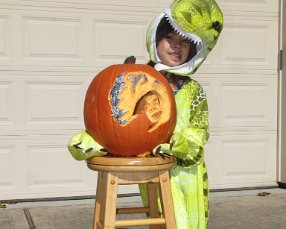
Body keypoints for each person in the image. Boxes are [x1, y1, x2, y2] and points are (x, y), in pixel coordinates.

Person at [138, 1, 223, 228]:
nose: (177, 47)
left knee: (190, 223)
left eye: (185, 42)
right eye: (170, 38)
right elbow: (123, 122)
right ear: (155, 38)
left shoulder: (193, 90)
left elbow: (200, 131)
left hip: (188, 173)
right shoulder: (140, 83)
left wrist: (182, 144)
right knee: (168, 221)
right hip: (155, 169)